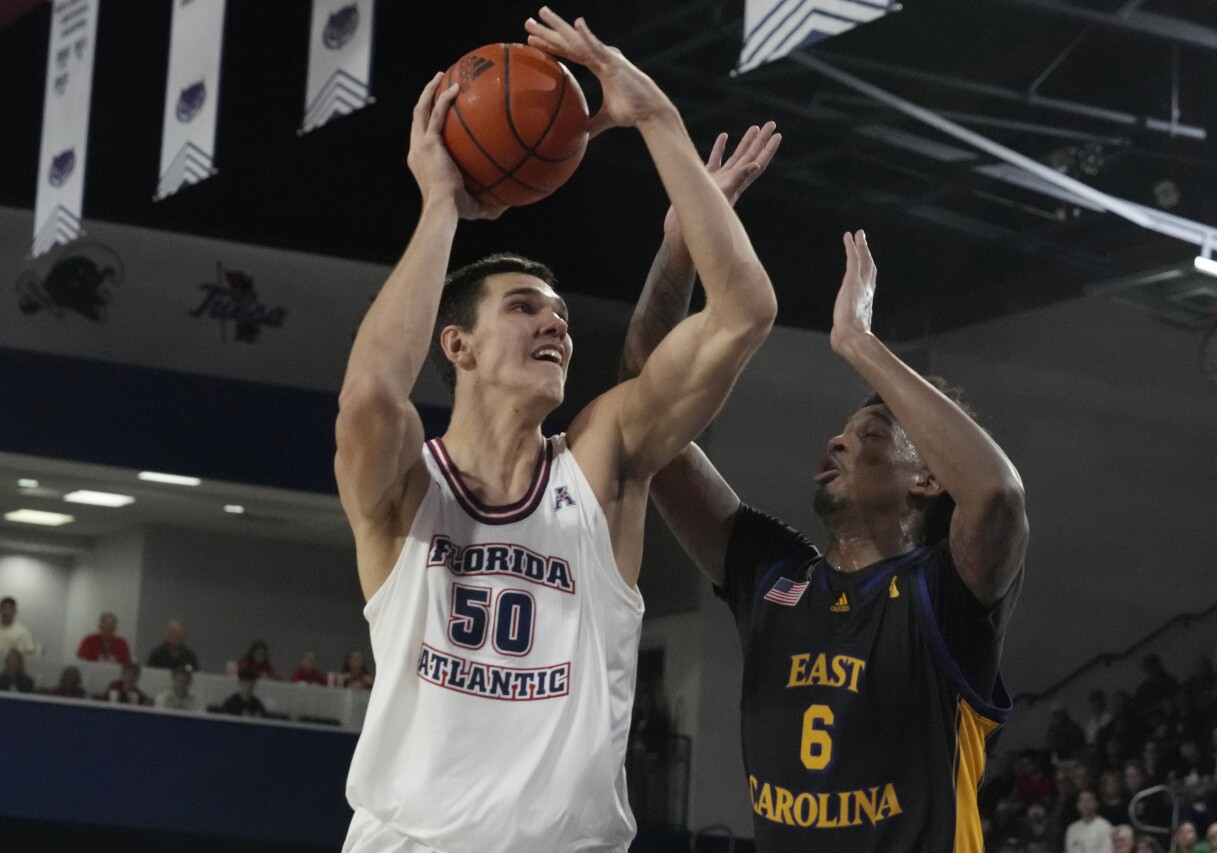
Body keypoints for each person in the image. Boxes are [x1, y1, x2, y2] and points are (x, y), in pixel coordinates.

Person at [335, 9, 777, 853]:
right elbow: (368, 393)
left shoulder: (600, 464)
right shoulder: (404, 487)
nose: (557, 324)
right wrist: (441, 206)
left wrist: (657, 118)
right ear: (456, 344)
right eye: (525, 306)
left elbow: (744, 313)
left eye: (564, 314)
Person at [625, 156, 1026, 852]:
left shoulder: (944, 596)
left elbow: (994, 495)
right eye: (841, 431)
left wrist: (858, 343)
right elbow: (642, 410)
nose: (837, 442)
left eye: (868, 434)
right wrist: (680, 246)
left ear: (926, 480)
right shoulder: (772, 574)